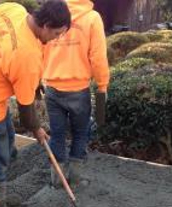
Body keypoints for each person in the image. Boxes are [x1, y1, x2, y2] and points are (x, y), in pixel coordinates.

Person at [0, 0, 71, 207]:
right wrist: (37, 129)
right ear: (46, 25)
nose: (56, 40)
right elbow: (27, 113)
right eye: (56, 34)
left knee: (8, 141)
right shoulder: (27, 55)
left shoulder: (14, 10)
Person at [43, 0, 109, 187]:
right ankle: (75, 179)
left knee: (57, 136)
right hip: (78, 90)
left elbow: (42, 47)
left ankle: (57, 180)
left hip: (53, 89)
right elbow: (98, 56)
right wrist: (102, 86)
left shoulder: (54, 14)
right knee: (80, 134)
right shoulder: (92, 18)